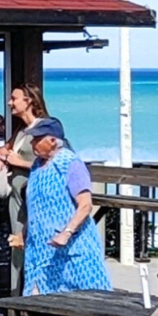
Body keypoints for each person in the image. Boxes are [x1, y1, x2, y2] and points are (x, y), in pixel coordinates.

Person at [21, 116, 111, 295]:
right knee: (36, 301)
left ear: (53, 141)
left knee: (88, 300)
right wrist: (24, 233)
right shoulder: (37, 166)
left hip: (73, 249)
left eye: (37, 139)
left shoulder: (70, 164)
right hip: (41, 251)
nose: (33, 143)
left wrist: (66, 232)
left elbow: (85, 205)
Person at [0, 84, 48, 292]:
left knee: (33, 247)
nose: (9, 103)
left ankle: (36, 303)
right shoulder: (22, 130)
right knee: (17, 248)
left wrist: (19, 162)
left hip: (34, 202)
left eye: (14, 99)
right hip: (17, 201)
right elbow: (6, 147)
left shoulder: (46, 130)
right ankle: (19, 302)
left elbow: (58, 165)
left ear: (29, 101)